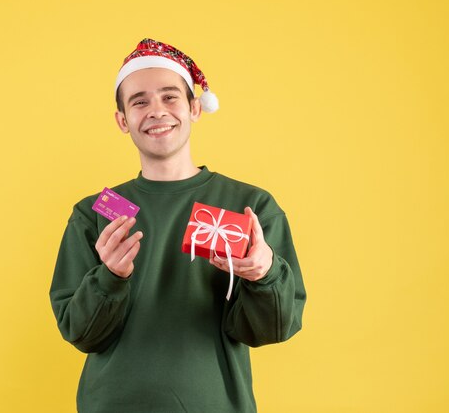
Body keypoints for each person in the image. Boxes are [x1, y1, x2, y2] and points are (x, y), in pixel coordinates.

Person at [49, 38, 307, 413]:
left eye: (170, 97)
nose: (156, 110)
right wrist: (110, 277)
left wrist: (263, 274)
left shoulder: (252, 208)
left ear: (195, 108)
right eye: (139, 101)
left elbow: (272, 329)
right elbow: (80, 332)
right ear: (123, 120)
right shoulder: (95, 213)